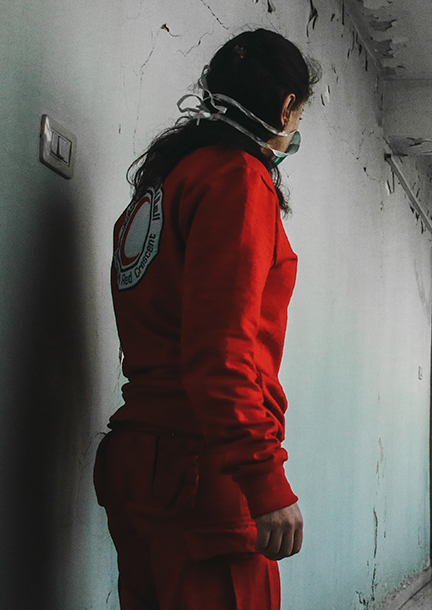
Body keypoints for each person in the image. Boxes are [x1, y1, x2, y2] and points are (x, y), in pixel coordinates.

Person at [93, 29, 320, 610]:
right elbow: (221, 351)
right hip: (205, 469)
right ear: (287, 107)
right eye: (299, 114)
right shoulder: (238, 180)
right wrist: (263, 477)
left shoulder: (157, 189)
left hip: (140, 460)